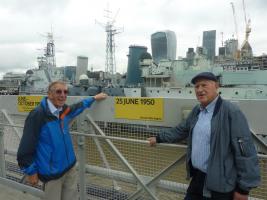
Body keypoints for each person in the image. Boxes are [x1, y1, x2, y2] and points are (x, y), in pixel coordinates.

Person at [148, 72, 260, 200]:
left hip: (220, 184)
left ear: (216, 86)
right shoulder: (197, 110)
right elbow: (181, 130)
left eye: (204, 85)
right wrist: (159, 138)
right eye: (196, 86)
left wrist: (243, 189)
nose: (200, 90)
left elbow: (245, 152)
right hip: (198, 178)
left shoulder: (231, 112)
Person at [17, 81, 107, 200]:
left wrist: (94, 98)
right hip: (52, 174)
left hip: (69, 167)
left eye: (65, 92)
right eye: (58, 91)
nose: (63, 95)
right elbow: (25, 147)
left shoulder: (63, 111)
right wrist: (31, 171)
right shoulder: (38, 115)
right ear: (49, 94)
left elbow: (77, 107)